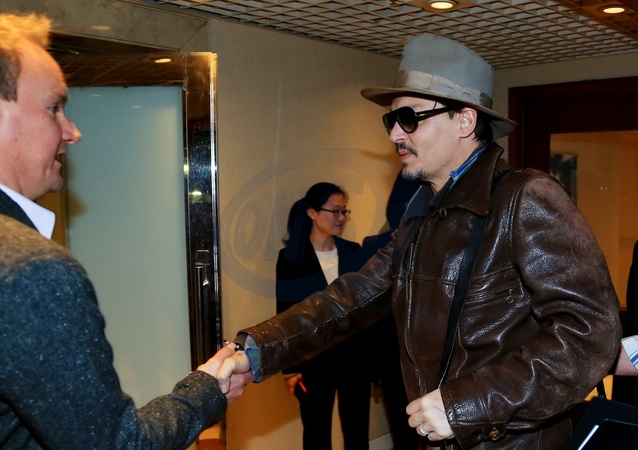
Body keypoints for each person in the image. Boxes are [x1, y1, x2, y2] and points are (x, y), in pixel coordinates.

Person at [219, 33, 622, 449]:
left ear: (465, 121)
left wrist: (467, 405)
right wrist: (256, 351)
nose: (395, 134)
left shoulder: (525, 198)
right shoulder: (423, 213)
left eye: (409, 118)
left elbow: (590, 333)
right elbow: (351, 298)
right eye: (391, 121)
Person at [0, 12, 251, 449]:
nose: (72, 132)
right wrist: (205, 391)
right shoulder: (31, 270)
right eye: (54, 108)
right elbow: (116, 444)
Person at [276, 182, 370, 450]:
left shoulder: (353, 251)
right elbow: (286, 313)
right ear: (312, 213)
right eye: (334, 211)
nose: (341, 218)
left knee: (357, 432)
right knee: (316, 433)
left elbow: (366, 306)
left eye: (344, 211)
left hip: (353, 356)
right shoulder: (291, 258)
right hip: (313, 358)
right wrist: (291, 368)